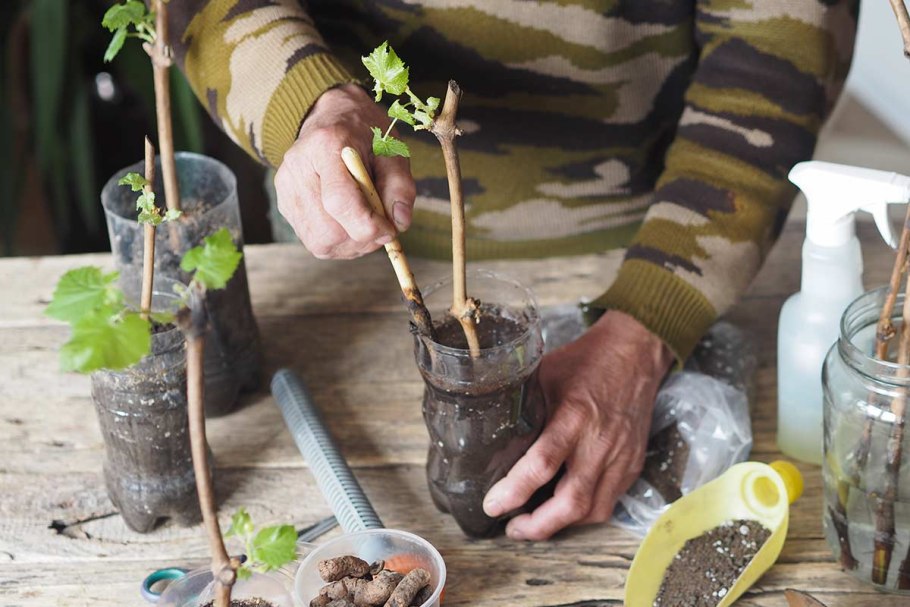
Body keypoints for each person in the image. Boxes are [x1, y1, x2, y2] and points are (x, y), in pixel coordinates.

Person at [166, 0, 858, 540]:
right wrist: (306, 101)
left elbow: (783, 36)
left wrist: (650, 318)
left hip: (660, 222)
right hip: (345, 219)